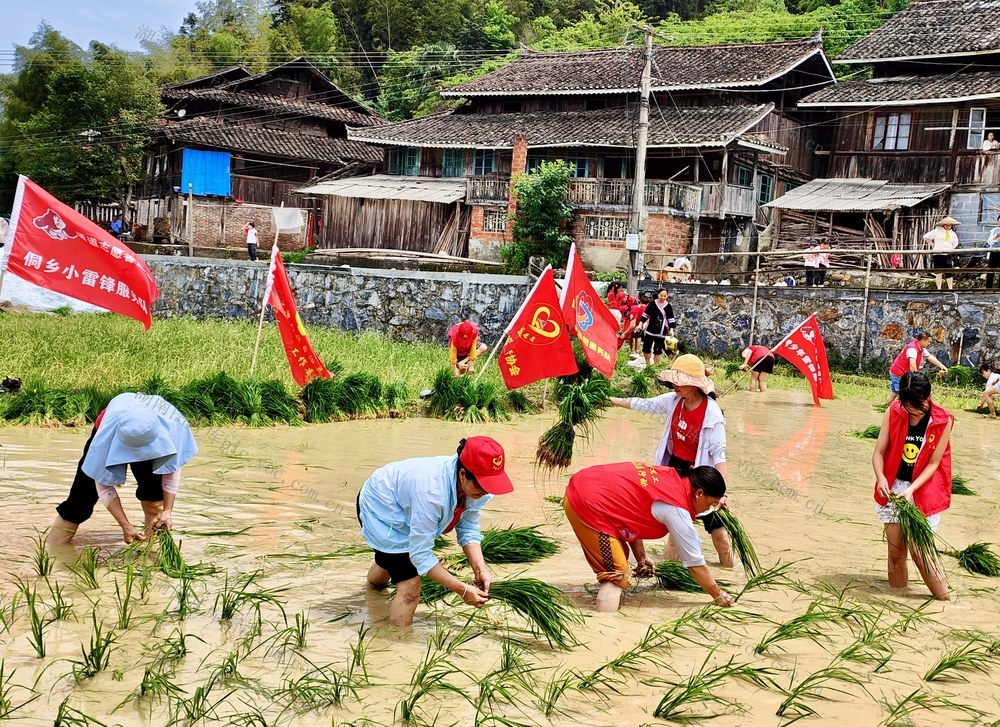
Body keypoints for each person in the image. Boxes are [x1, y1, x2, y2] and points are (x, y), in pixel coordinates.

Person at [357, 436, 514, 627]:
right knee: (410, 587)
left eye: (490, 484)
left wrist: (480, 570)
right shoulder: (431, 493)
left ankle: (372, 589)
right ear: (463, 474)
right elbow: (421, 556)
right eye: (482, 485)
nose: (486, 491)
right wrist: (462, 590)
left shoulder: (476, 489)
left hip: (405, 506)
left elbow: (468, 528)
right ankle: (396, 645)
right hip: (381, 509)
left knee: (394, 559)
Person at [609, 354, 734, 568]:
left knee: (720, 537)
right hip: (675, 473)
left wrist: (721, 493)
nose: (673, 384)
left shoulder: (712, 414)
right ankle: (671, 575)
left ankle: (729, 571)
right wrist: (609, 400)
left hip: (703, 478)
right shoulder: (675, 401)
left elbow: (719, 456)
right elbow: (644, 404)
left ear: (693, 385)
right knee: (676, 533)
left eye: (679, 381)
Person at [564, 462, 734, 612]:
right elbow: (695, 565)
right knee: (617, 576)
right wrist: (719, 595)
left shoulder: (671, 476)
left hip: (585, 485)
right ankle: (605, 633)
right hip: (588, 503)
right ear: (698, 494)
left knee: (619, 563)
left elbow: (631, 510)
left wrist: (641, 556)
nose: (707, 510)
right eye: (711, 503)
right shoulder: (677, 510)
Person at [47, 393, 198, 546]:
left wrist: (167, 511)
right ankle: (52, 551)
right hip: (113, 430)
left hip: (152, 430)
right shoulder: (103, 440)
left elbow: (171, 468)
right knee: (79, 503)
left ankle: (152, 558)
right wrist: (125, 525)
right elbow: (104, 487)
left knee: (155, 503)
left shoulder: (173, 428)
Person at [872, 372, 952, 600]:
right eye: (909, 406)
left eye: (920, 405)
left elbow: (935, 463)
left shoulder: (943, 420)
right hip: (894, 487)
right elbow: (878, 452)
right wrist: (881, 478)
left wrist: (911, 490)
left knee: (920, 552)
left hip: (923, 488)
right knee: (896, 552)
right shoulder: (893, 412)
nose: (916, 410)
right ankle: (896, 597)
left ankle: (945, 602)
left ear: (930, 396)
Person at [886, 332, 948, 405]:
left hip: (900, 372)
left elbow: (929, 357)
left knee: (895, 393)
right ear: (922, 341)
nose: (929, 344)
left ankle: (885, 406)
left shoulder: (920, 348)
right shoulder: (912, 349)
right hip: (899, 373)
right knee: (903, 395)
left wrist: (942, 366)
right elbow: (912, 364)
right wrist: (916, 379)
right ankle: (897, 410)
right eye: (928, 342)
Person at [640, 289, 677, 367]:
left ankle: (655, 366)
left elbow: (671, 319)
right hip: (650, 330)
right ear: (658, 295)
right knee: (646, 347)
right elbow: (645, 315)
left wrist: (671, 329)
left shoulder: (668, 306)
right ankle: (647, 364)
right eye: (661, 295)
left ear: (667, 296)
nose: (663, 297)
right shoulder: (652, 304)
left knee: (658, 349)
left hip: (661, 331)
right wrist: (640, 324)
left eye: (665, 296)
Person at [923, 216, 960, 291]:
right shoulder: (937, 231)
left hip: (948, 254)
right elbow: (926, 236)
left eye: (949, 225)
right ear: (943, 225)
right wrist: (932, 245)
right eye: (946, 225)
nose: (948, 226)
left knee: (949, 272)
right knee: (938, 272)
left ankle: (950, 288)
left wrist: (950, 248)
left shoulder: (952, 234)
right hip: (938, 254)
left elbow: (955, 243)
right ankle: (939, 288)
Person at [986, 215, 1000, 289]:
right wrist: (995, 237)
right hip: (994, 252)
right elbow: (989, 242)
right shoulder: (994, 230)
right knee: (991, 270)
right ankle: (988, 288)